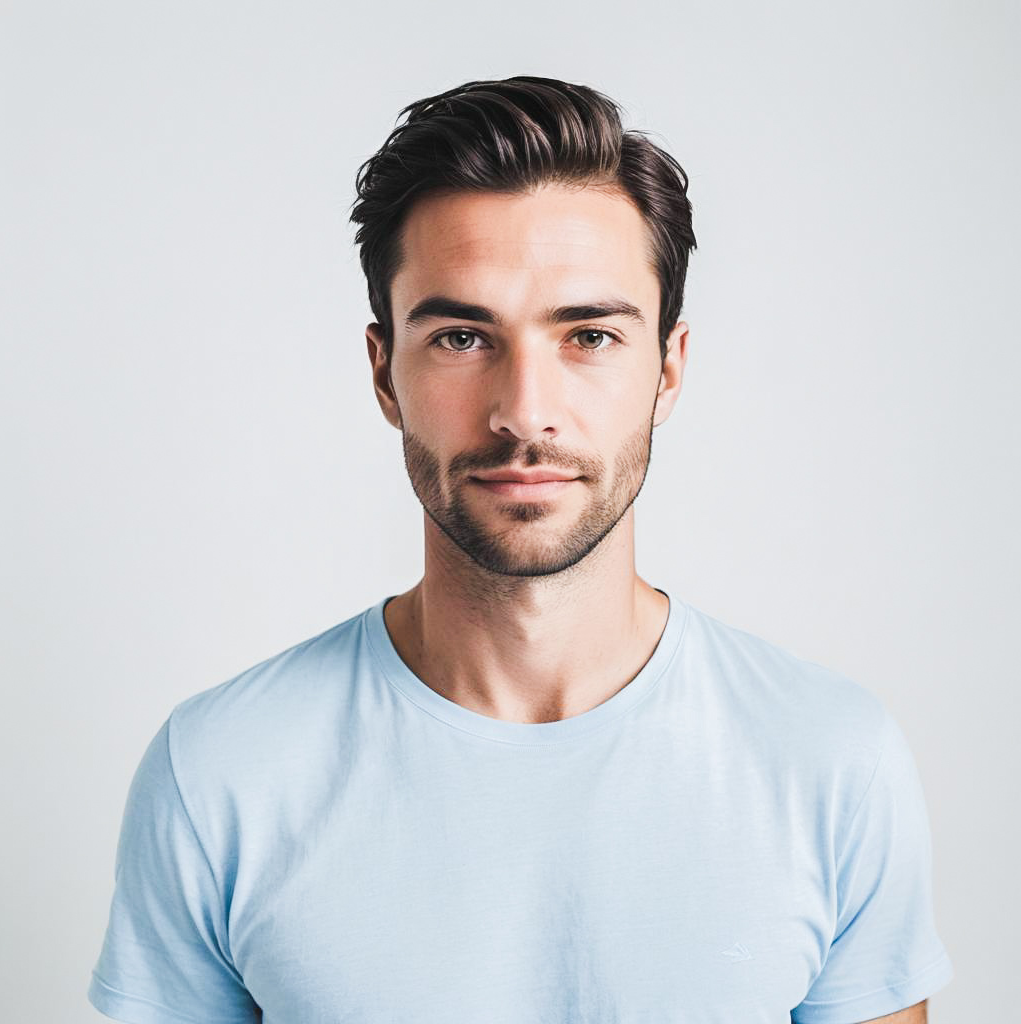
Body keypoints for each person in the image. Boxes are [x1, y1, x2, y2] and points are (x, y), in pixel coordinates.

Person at [88, 76, 953, 1023]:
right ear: (385, 373)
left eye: (588, 335)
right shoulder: (220, 772)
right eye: (462, 336)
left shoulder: (827, 759)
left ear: (666, 370)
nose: (523, 412)